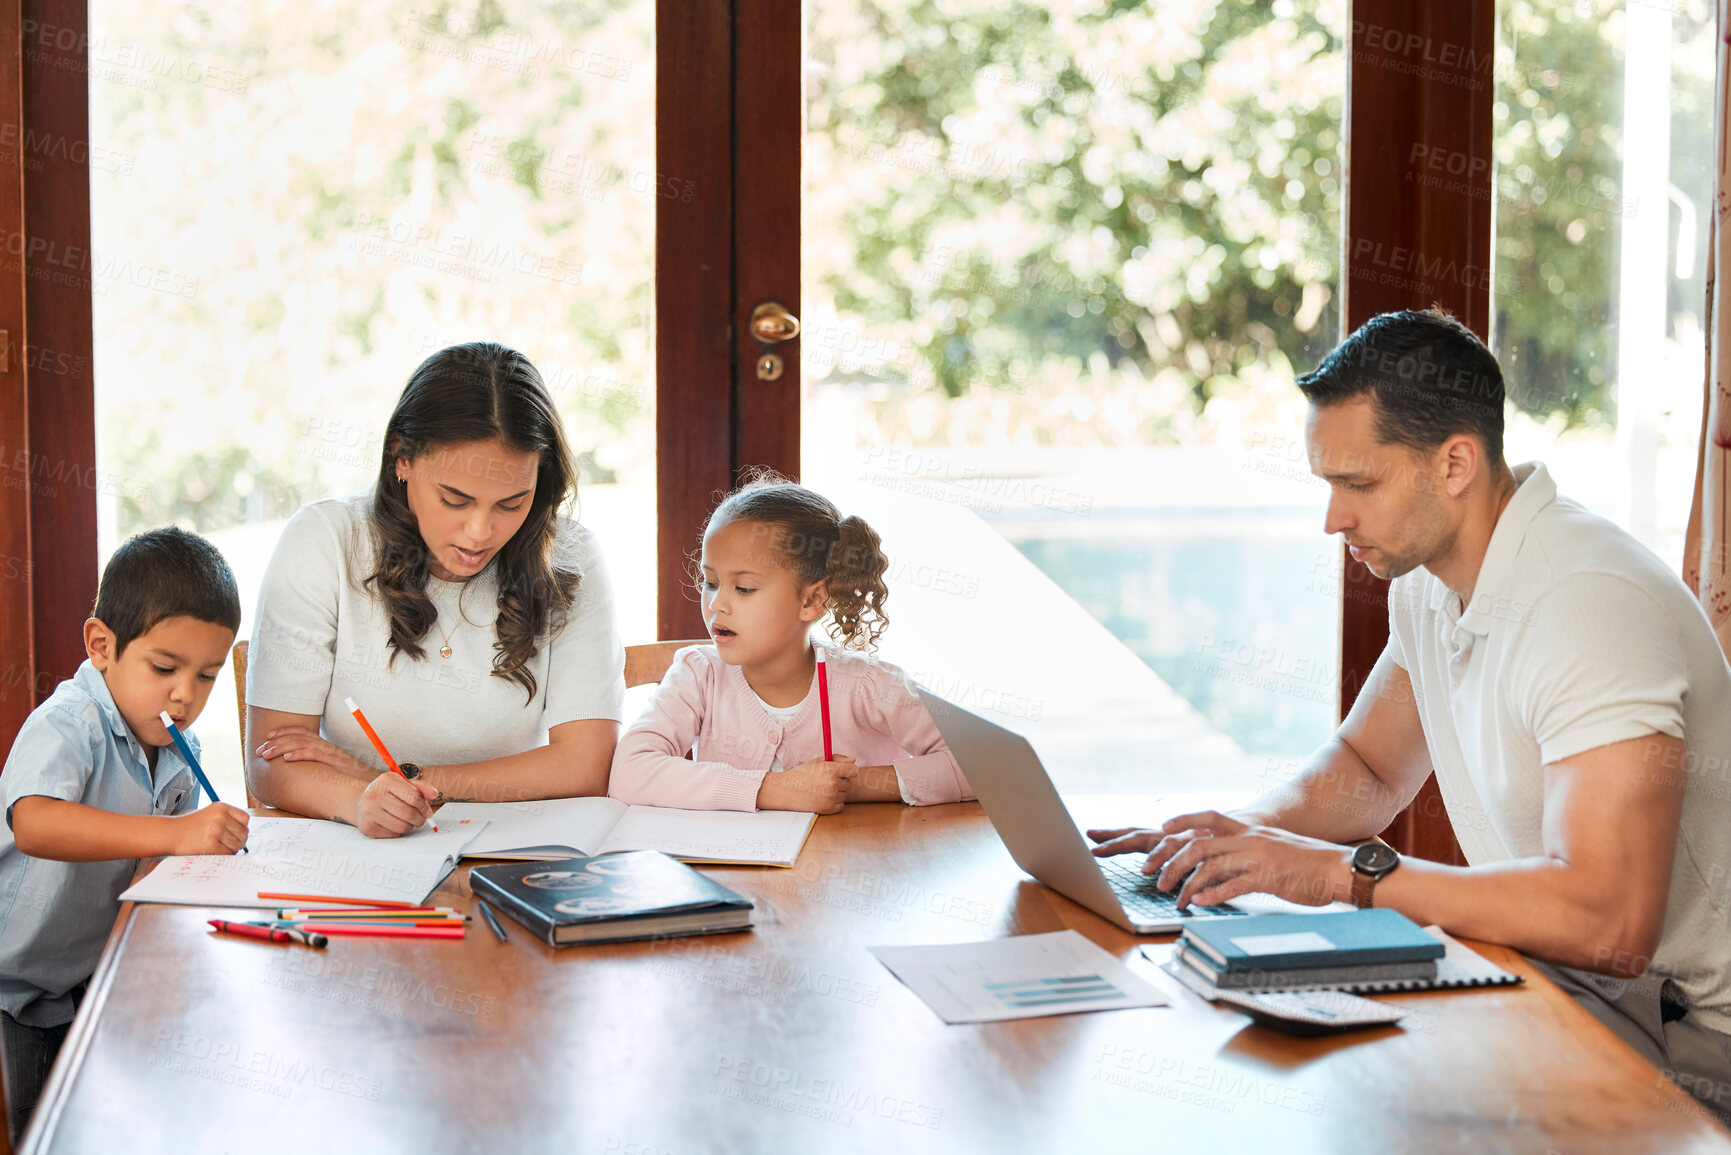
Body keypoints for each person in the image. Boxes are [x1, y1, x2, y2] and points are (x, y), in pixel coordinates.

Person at [1088, 307, 1731, 1120]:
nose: (1333, 518)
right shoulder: (1430, 583)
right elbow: (1367, 767)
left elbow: (1609, 919)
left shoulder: (1585, 604)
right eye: (1327, 484)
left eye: (1358, 484)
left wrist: (1337, 875)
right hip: (1565, 979)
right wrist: (1233, 837)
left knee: (1343, 1102)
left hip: (1691, 1029)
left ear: (1454, 462)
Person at [246, 342, 624, 836]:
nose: (479, 533)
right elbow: (272, 761)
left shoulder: (570, 558)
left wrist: (393, 780)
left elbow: (585, 766)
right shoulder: (325, 542)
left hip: (512, 846)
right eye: (455, 500)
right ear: (401, 458)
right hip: (354, 843)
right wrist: (360, 801)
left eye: (512, 503)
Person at [0, 527, 247, 1142]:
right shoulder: (68, 723)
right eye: (164, 668)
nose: (185, 695)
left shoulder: (180, 750)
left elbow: (157, 868)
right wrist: (175, 835)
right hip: (19, 989)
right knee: (44, 1133)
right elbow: (35, 823)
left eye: (208, 675)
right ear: (101, 646)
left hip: (97, 976)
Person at [609, 475, 972, 813]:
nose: (717, 603)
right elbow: (629, 772)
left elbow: (980, 766)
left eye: (744, 588)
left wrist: (855, 785)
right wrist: (774, 789)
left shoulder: (867, 686)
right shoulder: (698, 675)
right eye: (711, 582)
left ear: (811, 601)